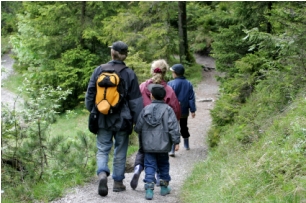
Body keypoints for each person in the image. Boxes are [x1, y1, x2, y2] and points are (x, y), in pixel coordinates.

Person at [85, 41, 143, 197]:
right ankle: (118, 182)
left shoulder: (99, 70)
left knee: (103, 148)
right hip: (122, 120)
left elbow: (90, 95)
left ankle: (103, 173)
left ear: (112, 53)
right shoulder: (129, 73)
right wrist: (138, 122)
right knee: (120, 150)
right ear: (125, 55)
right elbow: (135, 101)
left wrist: (93, 110)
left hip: (102, 117)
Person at [130, 59, 181, 190]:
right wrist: (175, 136)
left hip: (145, 128)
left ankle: (139, 169)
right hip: (163, 130)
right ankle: (161, 179)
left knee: (145, 151)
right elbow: (175, 111)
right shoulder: (168, 90)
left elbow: (135, 104)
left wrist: (137, 124)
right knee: (161, 153)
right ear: (165, 73)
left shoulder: (142, 87)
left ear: (152, 71)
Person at [134, 84, 181, 200]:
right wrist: (176, 141)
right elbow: (173, 127)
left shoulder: (146, 109)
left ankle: (149, 190)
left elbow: (138, 127)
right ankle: (164, 188)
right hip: (164, 145)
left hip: (148, 145)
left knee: (150, 165)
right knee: (163, 164)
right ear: (164, 97)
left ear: (152, 96)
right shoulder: (168, 110)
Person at [168, 64, 196, 154]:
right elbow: (191, 98)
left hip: (173, 111)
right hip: (184, 110)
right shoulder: (188, 83)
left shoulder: (171, 84)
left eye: (172, 72)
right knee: (184, 126)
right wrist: (192, 110)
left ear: (175, 73)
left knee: (173, 128)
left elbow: (168, 97)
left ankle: (172, 149)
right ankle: (186, 144)